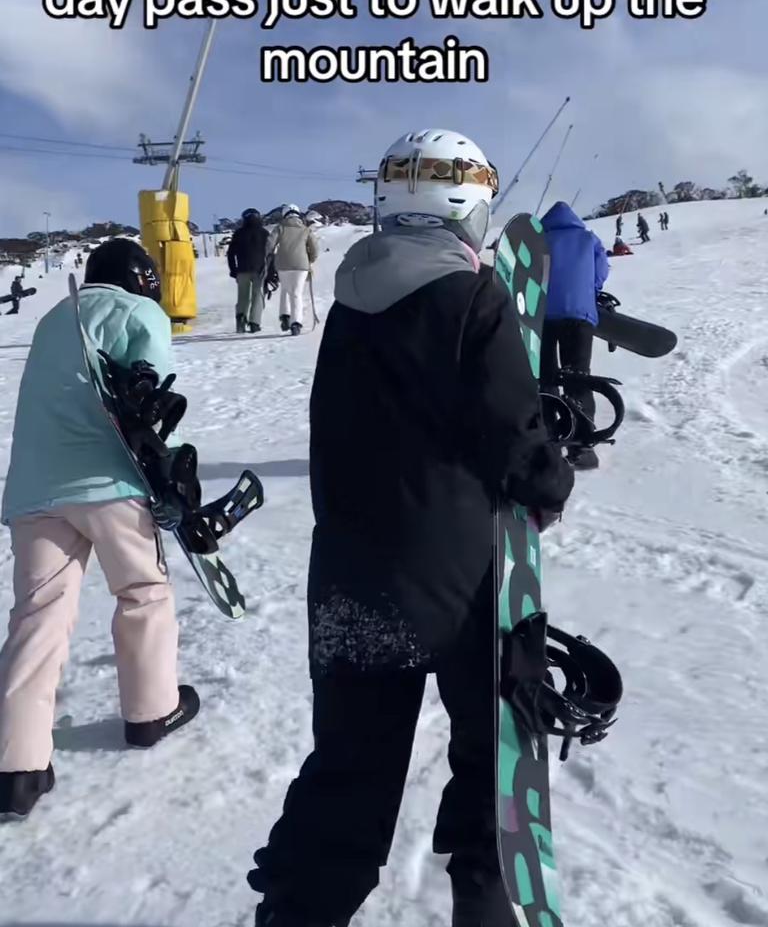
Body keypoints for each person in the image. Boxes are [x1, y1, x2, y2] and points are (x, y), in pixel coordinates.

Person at [247, 129, 575, 927]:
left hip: (351, 577)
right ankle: (483, 893)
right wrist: (549, 480)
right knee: (489, 756)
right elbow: (510, 427)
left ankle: (300, 907)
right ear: (471, 206)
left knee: (350, 770)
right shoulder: (475, 294)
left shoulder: (350, 303)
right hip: (456, 577)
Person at [0, 239, 199, 819]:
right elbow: (153, 404)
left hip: (34, 488)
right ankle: (150, 711)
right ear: (143, 278)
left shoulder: (52, 319)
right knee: (143, 594)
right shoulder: (140, 314)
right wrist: (176, 481)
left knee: (38, 618)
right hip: (110, 484)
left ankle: (18, 766)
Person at [540, 201, 610, 471]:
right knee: (578, 376)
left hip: (542, 315)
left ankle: (546, 440)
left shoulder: (539, 239)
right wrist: (588, 290)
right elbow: (601, 271)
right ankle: (582, 446)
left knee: (545, 377)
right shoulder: (588, 238)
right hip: (579, 317)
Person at [268, 205, 319, 335]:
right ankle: (296, 323)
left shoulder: (279, 228)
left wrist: (270, 257)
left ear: (285, 215)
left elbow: (269, 244)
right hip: (301, 265)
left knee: (285, 289)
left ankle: (285, 316)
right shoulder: (305, 229)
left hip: (282, 264)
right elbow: (315, 248)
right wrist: (311, 259)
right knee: (296, 293)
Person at [227, 209, 270, 333]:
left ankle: (241, 319)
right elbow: (270, 254)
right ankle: (254, 323)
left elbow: (230, 254)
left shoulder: (239, 233)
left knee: (242, 297)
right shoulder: (264, 233)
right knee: (258, 296)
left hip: (242, 270)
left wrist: (233, 270)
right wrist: (270, 271)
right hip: (259, 270)